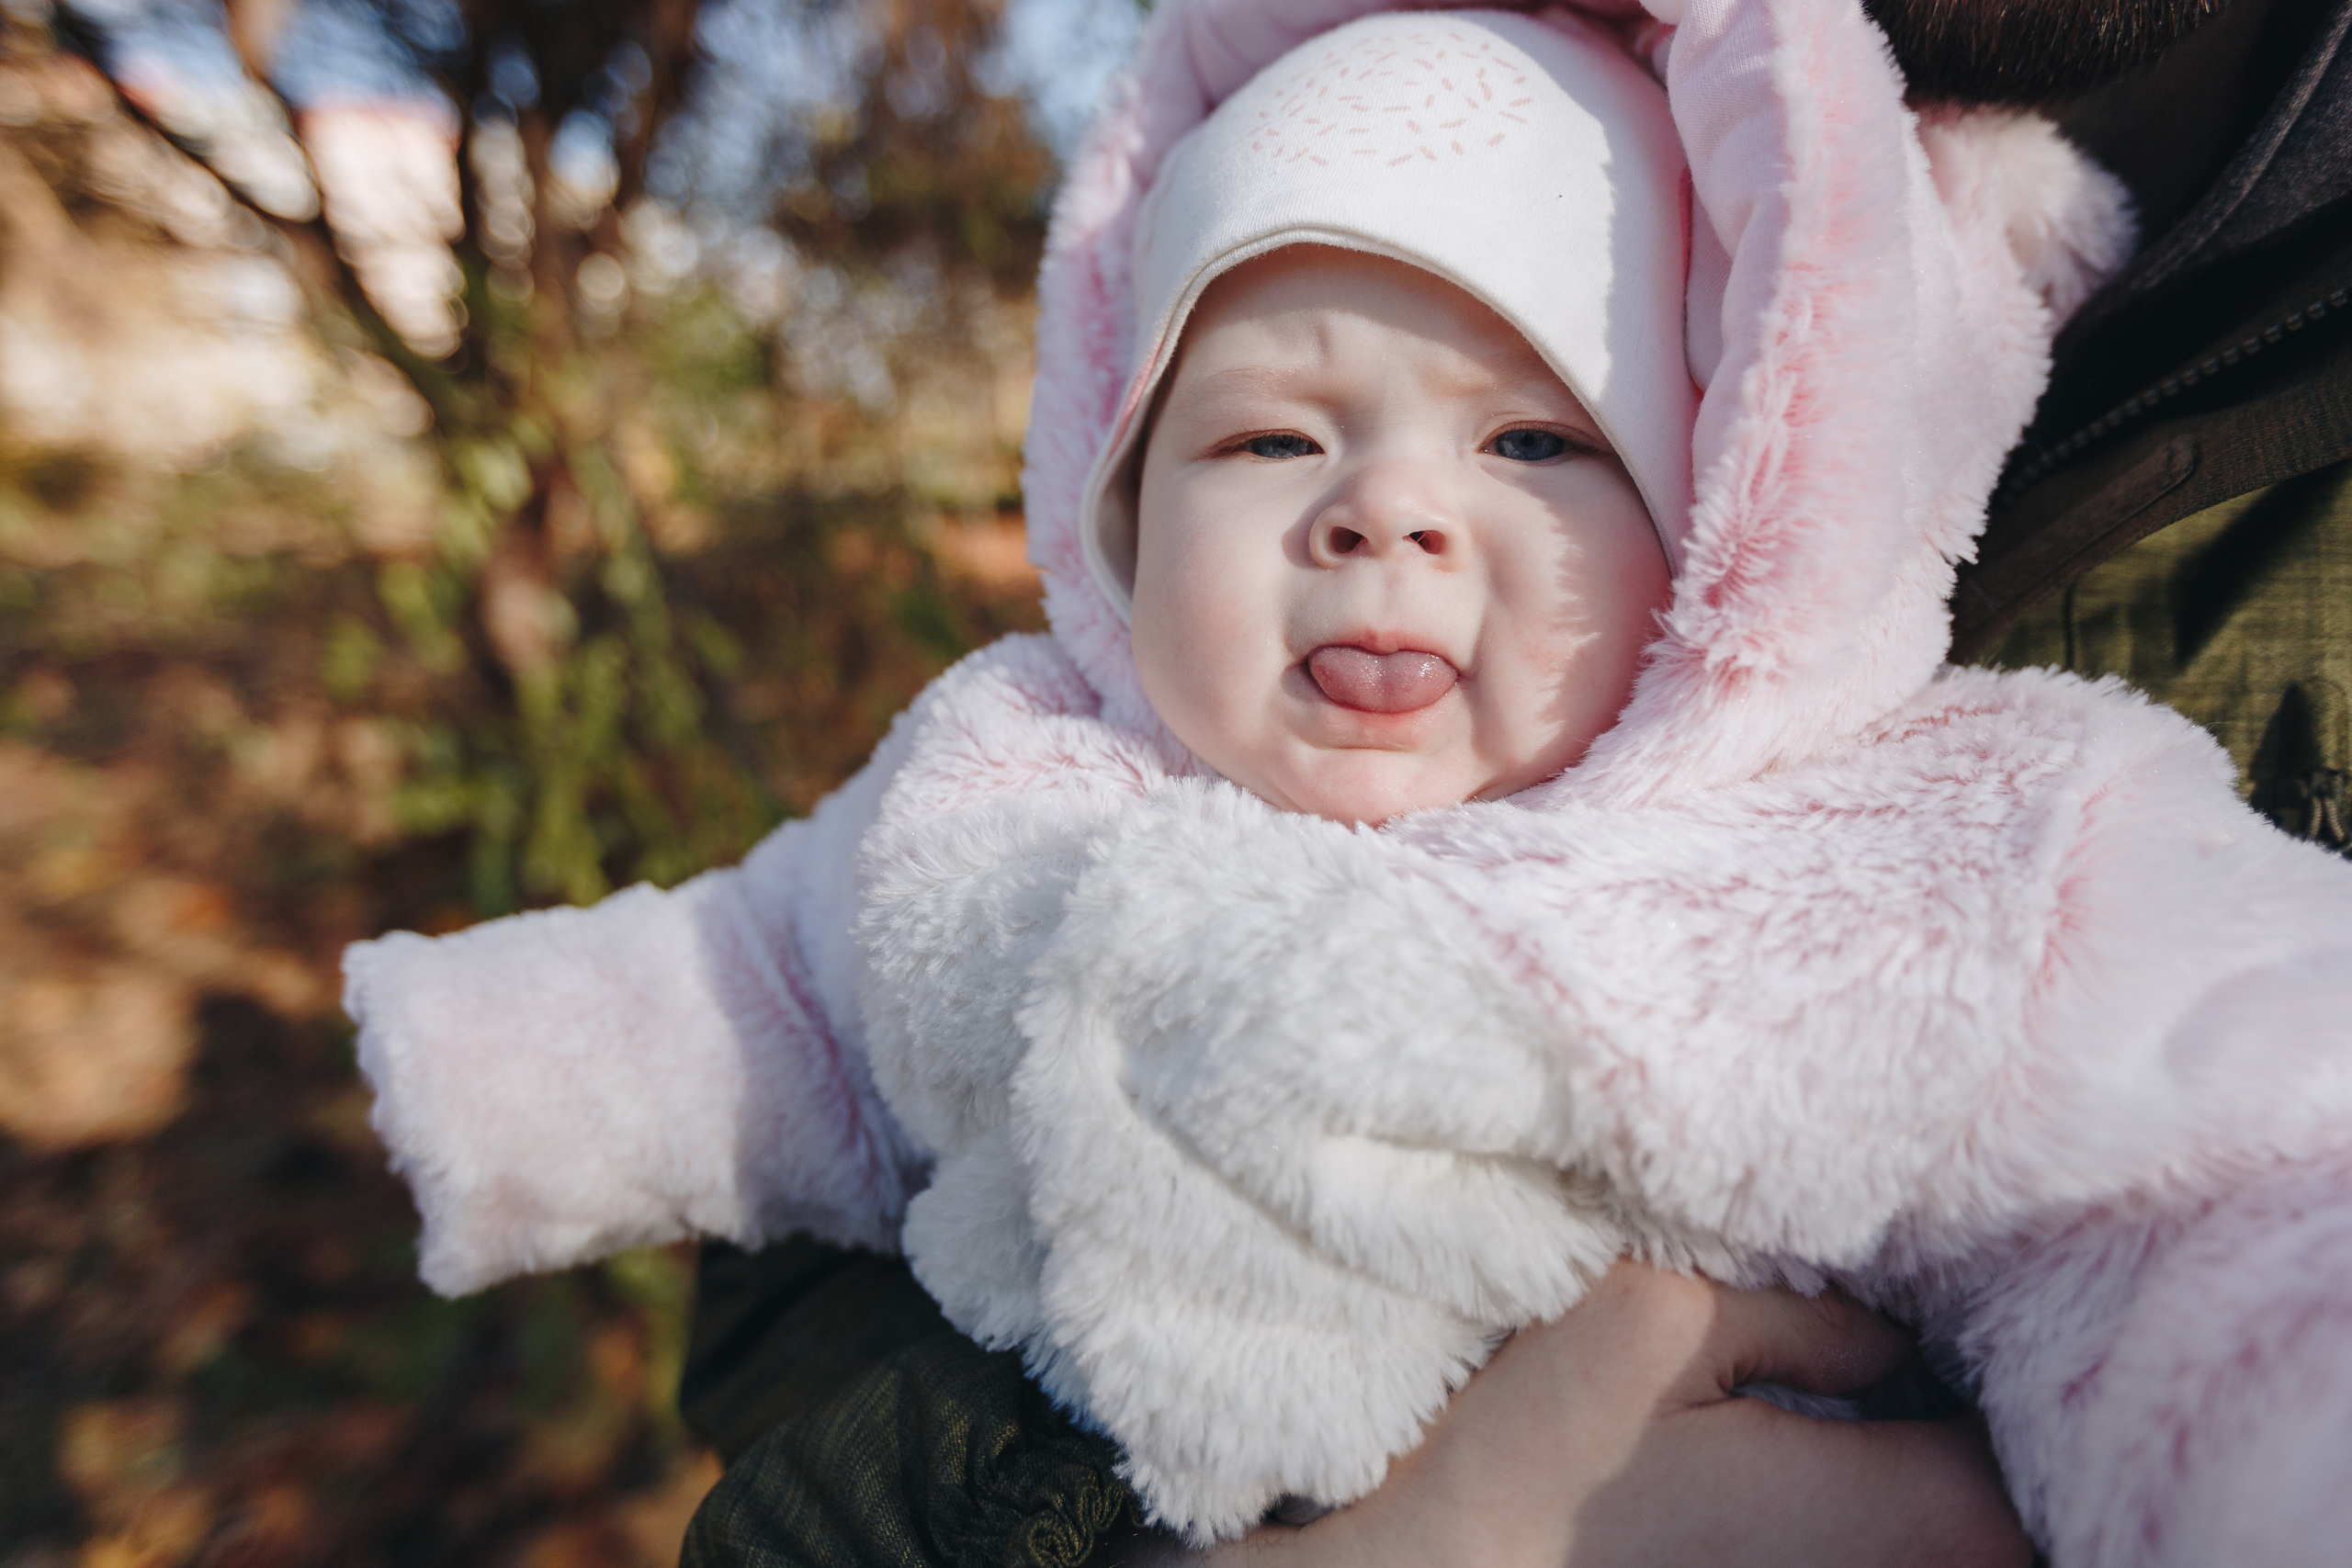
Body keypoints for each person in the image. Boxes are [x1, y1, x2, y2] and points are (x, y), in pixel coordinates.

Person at [342, 3, 2352, 1565]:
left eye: (1533, 449)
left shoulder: (1915, 849)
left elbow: (2224, 1179)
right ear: (1117, 516)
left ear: (1734, 528)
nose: (1383, 512)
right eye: (1267, 438)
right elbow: (770, 994)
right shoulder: (1015, 778)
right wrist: (499, 1071)